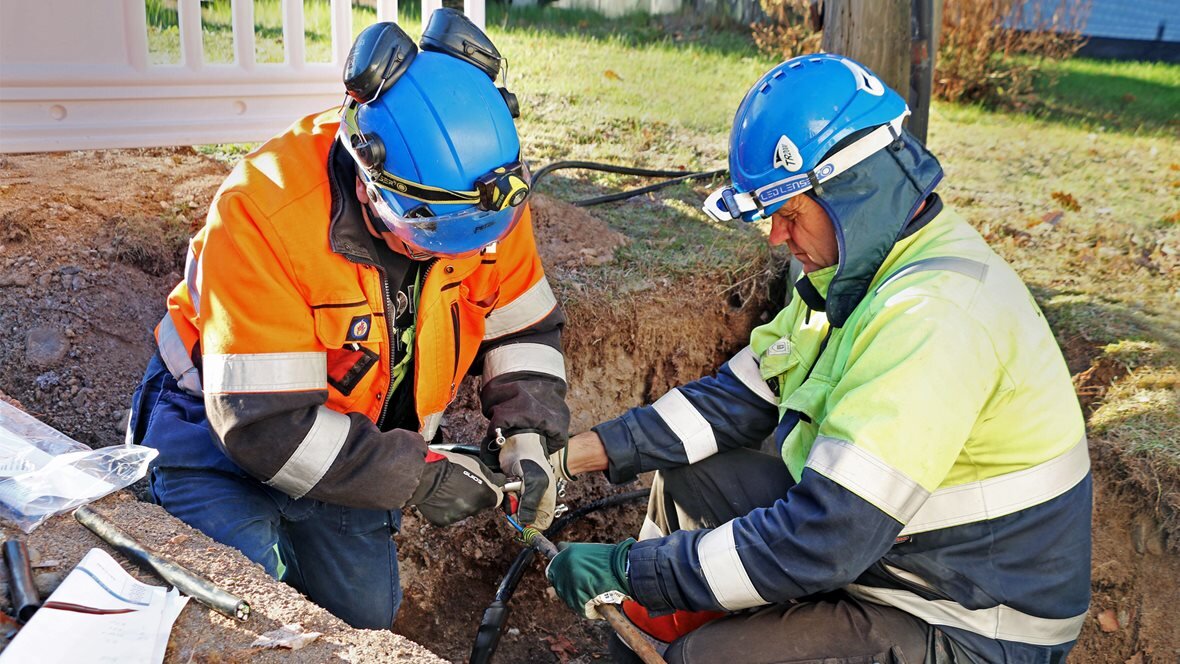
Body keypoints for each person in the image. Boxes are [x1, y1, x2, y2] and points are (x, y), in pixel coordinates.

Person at [545, 53, 1091, 664]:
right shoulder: (856, 274)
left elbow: (825, 536)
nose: (776, 238)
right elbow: (735, 402)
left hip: (970, 621)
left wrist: (636, 568)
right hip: (898, 555)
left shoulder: (933, 317)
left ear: (855, 193)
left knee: (708, 660)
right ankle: (646, 638)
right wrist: (566, 459)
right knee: (689, 483)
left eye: (789, 214)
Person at [126, 10, 569, 630]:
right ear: (368, 178)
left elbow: (523, 326)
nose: (457, 256)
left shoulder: (483, 199)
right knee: (251, 617)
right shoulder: (263, 213)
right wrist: (418, 479)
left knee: (365, 625)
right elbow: (267, 428)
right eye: (430, 236)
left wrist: (529, 433)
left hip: (352, 442)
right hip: (218, 431)